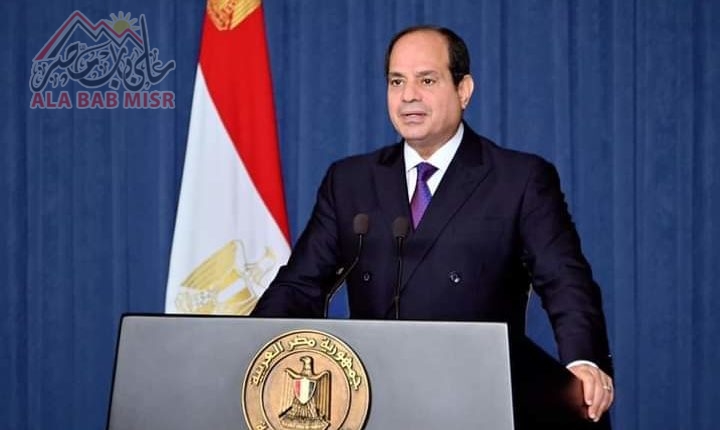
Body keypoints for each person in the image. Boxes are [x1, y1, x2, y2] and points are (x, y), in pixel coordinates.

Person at [252, 25, 614, 423]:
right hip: (372, 403)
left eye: (427, 80)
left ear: (464, 90)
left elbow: (564, 281)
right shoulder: (350, 181)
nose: (409, 95)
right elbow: (299, 285)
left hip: (476, 402)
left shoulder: (519, 179)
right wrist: (247, 348)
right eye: (396, 81)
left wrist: (584, 360)